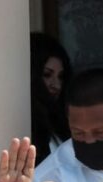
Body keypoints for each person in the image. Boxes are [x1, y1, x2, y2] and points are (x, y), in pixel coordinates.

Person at [30, 32, 73, 164]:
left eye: (61, 77)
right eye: (47, 75)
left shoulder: (64, 122)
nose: (57, 85)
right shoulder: (26, 124)